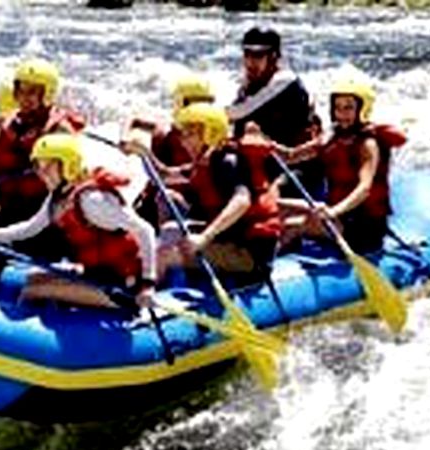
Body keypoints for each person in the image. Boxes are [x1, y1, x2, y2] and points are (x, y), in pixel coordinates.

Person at [0, 133, 158, 311]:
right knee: (32, 281)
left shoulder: (92, 200)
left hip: (123, 287)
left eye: (47, 165)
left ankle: (11, 342)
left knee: (33, 291)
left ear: (67, 164)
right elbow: (30, 227)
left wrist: (148, 285)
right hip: (96, 275)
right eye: (37, 166)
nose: (41, 173)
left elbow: (145, 230)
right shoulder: (58, 197)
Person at [277, 77, 407, 255]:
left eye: (348, 108)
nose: (342, 114)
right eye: (338, 108)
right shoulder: (331, 137)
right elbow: (290, 156)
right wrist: (265, 145)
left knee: (290, 226)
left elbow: (364, 189)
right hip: (339, 215)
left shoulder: (367, 144)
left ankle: (263, 275)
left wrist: (333, 211)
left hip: (364, 225)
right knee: (277, 207)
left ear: (362, 110)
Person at [0, 59, 87, 259]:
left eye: (32, 92)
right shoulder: (8, 123)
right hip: (12, 205)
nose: (24, 98)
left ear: (47, 94)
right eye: (20, 91)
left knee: (32, 245)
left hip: (43, 207)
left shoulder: (59, 129)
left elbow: (72, 174)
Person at [158, 102, 281, 282]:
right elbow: (164, 176)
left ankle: (145, 303)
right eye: (182, 135)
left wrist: (205, 237)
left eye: (190, 134)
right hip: (230, 238)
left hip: (249, 253)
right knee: (170, 229)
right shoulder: (204, 164)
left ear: (210, 134)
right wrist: (142, 152)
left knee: (165, 255)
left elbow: (242, 201)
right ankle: (171, 284)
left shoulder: (228, 163)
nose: (183, 141)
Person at [228, 27, 321, 196]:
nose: (250, 62)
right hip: (262, 161)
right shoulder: (249, 82)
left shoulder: (285, 81)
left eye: (257, 56)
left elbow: (235, 113)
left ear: (273, 57)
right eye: (247, 54)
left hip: (297, 165)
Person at [123, 73, 217, 227]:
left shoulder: (215, 150)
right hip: (157, 205)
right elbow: (134, 120)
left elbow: (162, 176)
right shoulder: (165, 132)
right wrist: (126, 139)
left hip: (191, 212)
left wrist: (144, 152)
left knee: (168, 198)